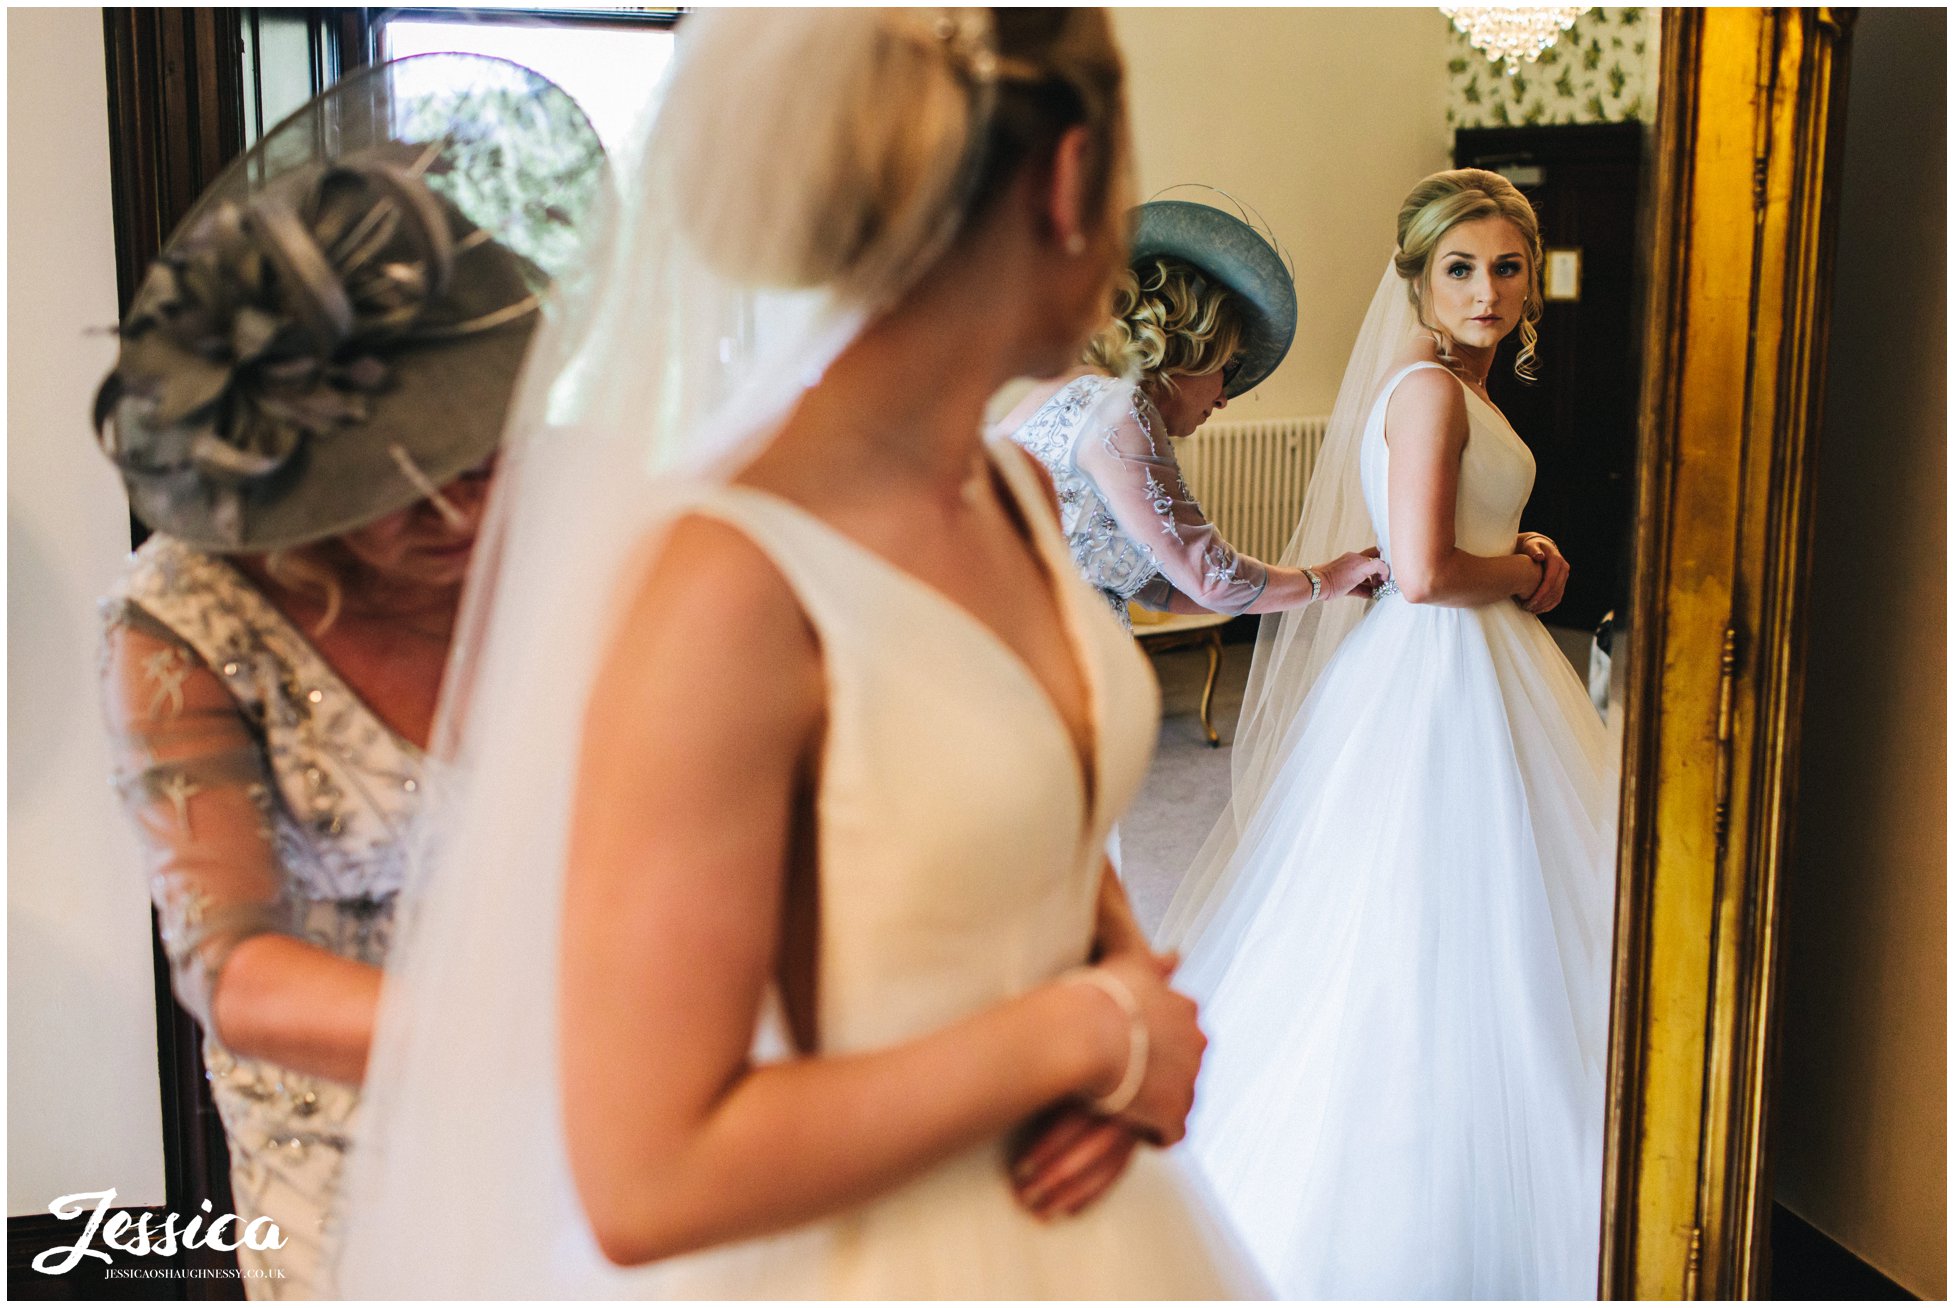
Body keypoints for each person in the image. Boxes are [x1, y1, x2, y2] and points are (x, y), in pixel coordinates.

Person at [334, 10, 1262, 1298]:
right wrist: (1078, 1036)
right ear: (1069, 179)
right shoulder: (723, 584)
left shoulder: (1015, 498)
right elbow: (646, 1176)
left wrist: (1123, 989)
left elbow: (1052, 832)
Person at [93, 56, 607, 1298]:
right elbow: (234, 966)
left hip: (610, 1114)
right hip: (345, 1155)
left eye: (482, 454)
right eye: (393, 476)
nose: (452, 506)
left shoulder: (591, 509)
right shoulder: (183, 619)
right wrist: (544, 1040)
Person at [1158, 168, 1616, 1299]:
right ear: (1415, 279)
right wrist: (1529, 569)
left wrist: (1515, 548)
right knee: (1436, 914)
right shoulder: (1426, 391)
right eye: (1459, 268)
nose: (1488, 290)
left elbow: (1447, 531)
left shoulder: (1455, 390)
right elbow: (1420, 573)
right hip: (1445, 664)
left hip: (1467, 659)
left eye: (1506, 267)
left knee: (1496, 901)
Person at [1001, 199, 1387, 628]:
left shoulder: (1063, 390)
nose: (1224, 398)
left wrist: (1313, 586)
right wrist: (1327, 580)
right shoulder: (1120, 409)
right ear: (1191, 348)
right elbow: (1213, 578)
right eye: (1230, 368)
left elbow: (1158, 585)